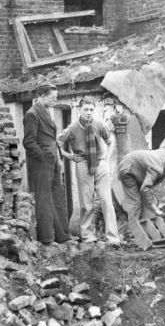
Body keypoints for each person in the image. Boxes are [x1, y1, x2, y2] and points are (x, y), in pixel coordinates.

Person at [58, 97, 121, 245]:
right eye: (85, 109)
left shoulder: (99, 124)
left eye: (91, 109)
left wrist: (106, 157)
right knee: (87, 203)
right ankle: (88, 236)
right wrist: (70, 156)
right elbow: (59, 143)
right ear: (80, 110)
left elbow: (111, 140)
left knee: (106, 200)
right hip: (83, 164)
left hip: (100, 164)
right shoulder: (73, 127)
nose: (88, 113)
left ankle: (112, 237)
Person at [23, 83, 72, 245]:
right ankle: (46, 238)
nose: (55, 100)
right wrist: (43, 156)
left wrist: (56, 155)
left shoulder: (46, 111)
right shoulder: (32, 114)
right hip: (42, 164)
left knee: (58, 196)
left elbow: (50, 137)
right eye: (53, 97)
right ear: (43, 95)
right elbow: (28, 142)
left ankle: (63, 236)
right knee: (44, 199)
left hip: (53, 160)